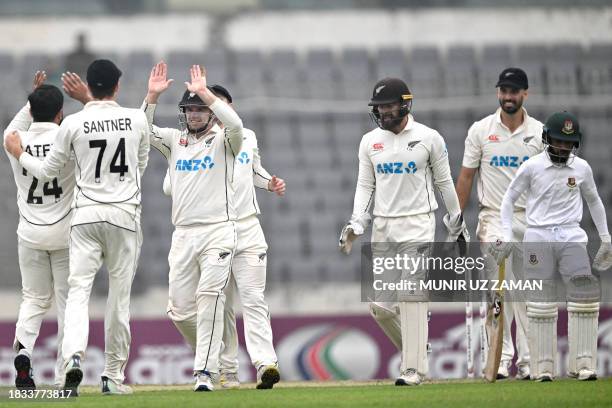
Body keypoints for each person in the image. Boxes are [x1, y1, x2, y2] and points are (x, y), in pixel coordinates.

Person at [4, 59, 150, 396]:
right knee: (112, 298)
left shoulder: (42, 132)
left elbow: (43, 166)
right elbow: (138, 164)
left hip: (55, 226)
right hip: (111, 218)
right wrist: (86, 101)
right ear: (117, 86)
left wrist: (32, 104)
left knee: (48, 299)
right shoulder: (134, 119)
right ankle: (108, 375)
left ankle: (64, 357)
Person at [339, 77, 468, 386]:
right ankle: (417, 347)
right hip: (384, 227)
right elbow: (365, 185)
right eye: (379, 107)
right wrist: (358, 221)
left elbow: (444, 182)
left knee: (411, 295)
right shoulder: (370, 141)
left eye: (388, 106)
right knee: (381, 307)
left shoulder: (429, 137)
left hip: (418, 223)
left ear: (405, 104)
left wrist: (456, 221)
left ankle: (412, 370)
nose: (383, 112)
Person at [161, 84, 286, 390]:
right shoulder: (198, 144)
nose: (218, 113)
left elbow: (253, 170)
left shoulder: (245, 137)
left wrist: (269, 182)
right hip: (217, 229)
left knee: (253, 298)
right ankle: (226, 368)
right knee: (221, 305)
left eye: (220, 106)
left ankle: (265, 363)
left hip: (247, 228)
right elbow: (171, 183)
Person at [143, 62, 244, 392]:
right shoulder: (175, 141)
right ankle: (214, 353)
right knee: (180, 312)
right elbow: (142, 132)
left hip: (218, 231)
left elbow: (237, 124)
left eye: (200, 109)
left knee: (210, 298)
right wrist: (152, 97)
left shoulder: (225, 141)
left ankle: (205, 372)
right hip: (183, 234)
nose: (196, 115)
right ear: (183, 113)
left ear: (211, 113)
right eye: (190, 109)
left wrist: (207, 94)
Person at [492, 111, 612, 381]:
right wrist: (507, 233)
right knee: (540, 301)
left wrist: (605, 238)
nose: (563, 147)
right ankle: (541, 367)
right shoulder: (532, 166)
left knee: (584, 293)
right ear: (547, 139)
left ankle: (583, 364)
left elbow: (594, 201)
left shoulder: (581, 168)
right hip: (538, 236)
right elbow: (509, 199)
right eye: (558, 141)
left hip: (571, 236)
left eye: (569, 143)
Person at [455, 67, 543, 380]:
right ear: (498, 93)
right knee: (498, 289)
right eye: (503, 91)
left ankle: (530, 361)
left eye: (514, 91)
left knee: (526, 291)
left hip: (529, 219)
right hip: (492, 217)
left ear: (525, 94)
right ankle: (501, 359)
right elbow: (466, 176)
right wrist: (456, 219)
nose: (508, 97)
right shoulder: (480, 130)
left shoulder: (539, 133)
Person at [3, 72, 74, 390]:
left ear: (31, 108)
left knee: (33, 299)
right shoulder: (69, 140)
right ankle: (63, 375)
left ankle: (24, 353)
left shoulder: (12, 140)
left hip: (30, 233)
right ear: (60, 113)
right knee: (67, 302)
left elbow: (13, 127)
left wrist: (34, 96)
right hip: (65, 232)